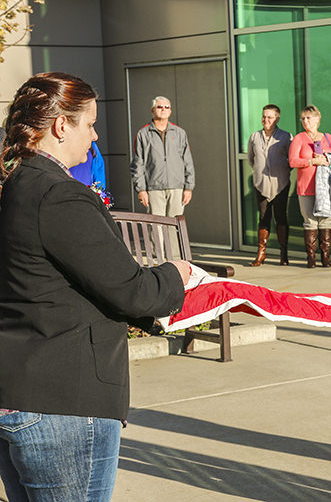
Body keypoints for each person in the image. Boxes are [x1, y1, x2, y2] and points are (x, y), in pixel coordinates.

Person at [0, 72, 190, 501]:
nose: (95, 134)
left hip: (19, 390)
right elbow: (131, 290)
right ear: (61, 125)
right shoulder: (58, 194)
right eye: (89, 123)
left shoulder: (15, 184)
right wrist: (175, 274)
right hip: (63, 403)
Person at [288, 104, 331, 268]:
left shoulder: (327, 138)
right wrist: (312, 161)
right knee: (310, 222)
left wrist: (326, 157)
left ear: (318, 119)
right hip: (306, 188)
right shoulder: (299, 138)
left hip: (325, 188)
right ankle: (311, 258)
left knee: (325, 221)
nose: (305, 121)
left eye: (308, 118)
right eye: (303, 118)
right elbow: (292, 161)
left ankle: (325, 257)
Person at [130, 96, 195, 217]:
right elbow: (137, 164)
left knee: (174, 228)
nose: (163, 109)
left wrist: (188, 188)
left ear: (170, 111)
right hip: (154, 189)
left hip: (177, 188)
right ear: (152, 110)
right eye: (159, 107)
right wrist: (141, 190)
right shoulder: (143, 134)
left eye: (167, 107)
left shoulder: (180, 133)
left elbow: (187, 162)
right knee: (156, 229)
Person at [247, 104, 292, 267]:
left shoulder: (286, 137)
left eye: (270, 117)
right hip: (261, 184)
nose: (266, 120)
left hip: (280, 183)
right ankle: (261, 252)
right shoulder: (254, 137)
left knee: (281, 217)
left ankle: (283, 253)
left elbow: (291, 160)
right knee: (263, 217)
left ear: (277, 118)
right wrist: (260, 171)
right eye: (264, 116)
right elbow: (251, 159)